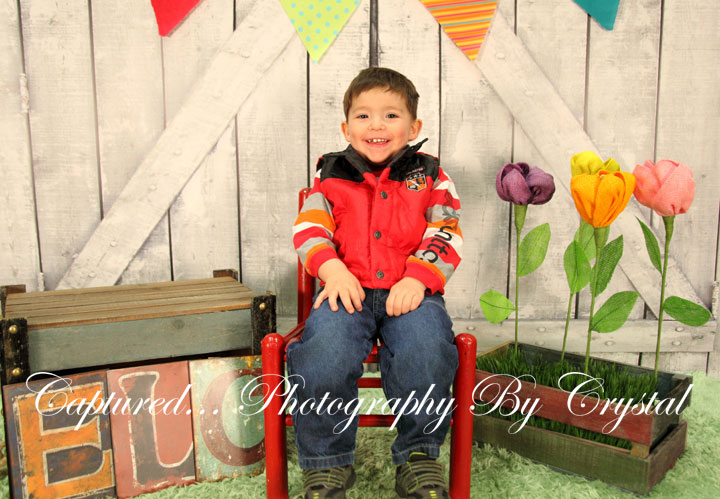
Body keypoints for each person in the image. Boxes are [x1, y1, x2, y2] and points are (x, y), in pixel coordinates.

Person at [290, 67, 462, 499]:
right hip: (345, 289)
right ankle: (328, 462)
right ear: (346, 128)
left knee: (427, 351)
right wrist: (332, 270)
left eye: (391, 115)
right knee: (323, 355)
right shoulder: (331, 175)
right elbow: (310, 229)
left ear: (413, 127)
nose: (376, 125)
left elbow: (445, 232)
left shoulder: (431, 176)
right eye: (363, 116)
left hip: (412, 293)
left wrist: (419, 279)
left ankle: (419, 456)